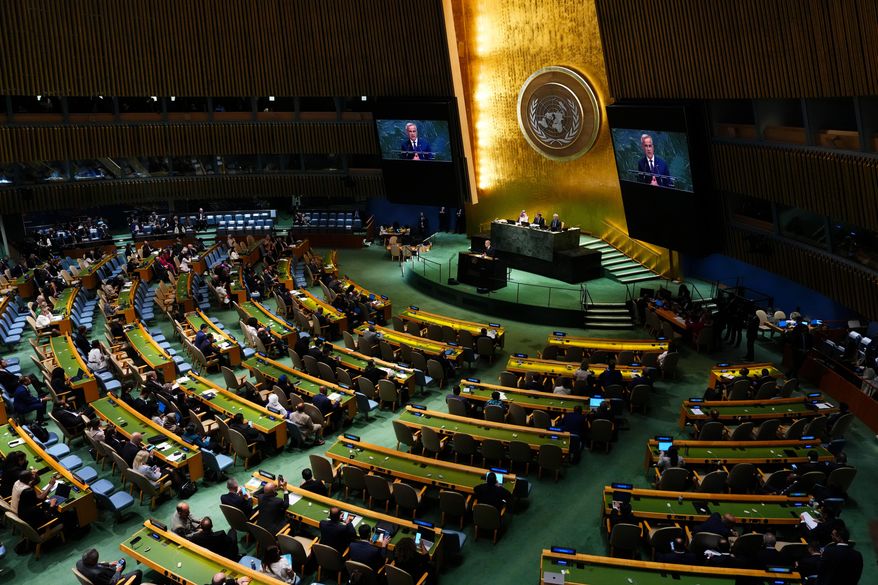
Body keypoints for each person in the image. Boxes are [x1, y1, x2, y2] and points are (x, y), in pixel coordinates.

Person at [76, 548, 143, 585]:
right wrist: (117, 572)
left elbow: (95, 564)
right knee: (138, 572)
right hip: (109, 580)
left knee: (122, 561)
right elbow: (111, 583)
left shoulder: (79, 563)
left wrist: (108, 564)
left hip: (102, 575)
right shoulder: (98, 574)